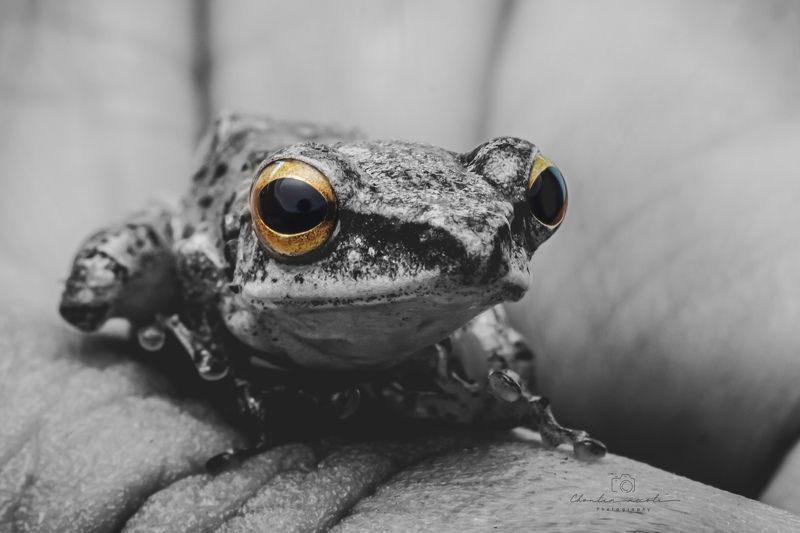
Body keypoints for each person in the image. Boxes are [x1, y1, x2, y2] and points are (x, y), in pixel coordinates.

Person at [1, 0, 798, 528]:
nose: (480, 249)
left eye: (530, 206)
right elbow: (196, 250)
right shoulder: (235, 259)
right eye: (299, 211)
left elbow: (486, 293)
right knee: (94, 285)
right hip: (219, 223)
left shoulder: (477, 268)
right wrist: (203, 319)